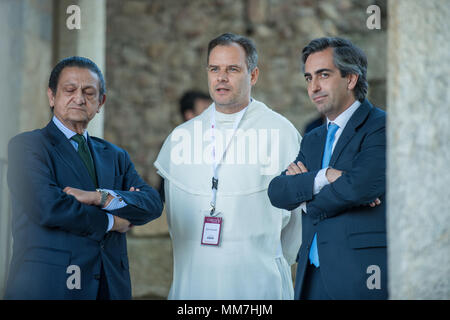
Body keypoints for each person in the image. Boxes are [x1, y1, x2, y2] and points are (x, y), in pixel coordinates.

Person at [155, 33, 302, 299]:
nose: (221, 78)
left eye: (232, 69)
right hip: (195, 280)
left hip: (257, 281)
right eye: (215, 69)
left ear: (253, 75)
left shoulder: (280, 132)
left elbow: (298, 220)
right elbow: (175, 219)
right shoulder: (182, 136)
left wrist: (272, 255)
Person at [4, 56, 163, 299]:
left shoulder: (115, 155)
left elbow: (151, 203)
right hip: (51, 287)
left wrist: (100, 197)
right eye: (69, 90)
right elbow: (49, 206)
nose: (79, 98)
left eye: (89, 92)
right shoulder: (27, 147)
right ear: (51, 96)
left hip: (110, 286)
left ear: (101, 102)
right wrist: (112, 222)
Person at [268, 37, 387, 299]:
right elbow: (277, 191)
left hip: (360, 276)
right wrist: (324, 177)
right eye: (309, 78)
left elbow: (360, 187)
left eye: (323, 75)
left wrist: (306, 200)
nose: (314, 87)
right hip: (311, 277)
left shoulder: (380, 126)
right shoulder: (313, 139)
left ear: (351, 79)